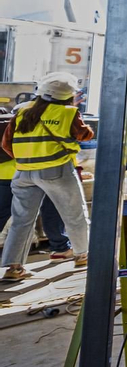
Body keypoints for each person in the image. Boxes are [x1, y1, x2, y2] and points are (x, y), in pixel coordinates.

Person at [0, 74, 93, 280]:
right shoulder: (68, 112)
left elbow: (6, 144)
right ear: (68, 95)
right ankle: (82, 255)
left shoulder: (23, 111)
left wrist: (29, 158)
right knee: (74, 214)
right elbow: (85, 135)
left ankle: (13, 268)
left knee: (21, 220)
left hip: (23, 172)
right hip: (56, 169)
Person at [0, 104, 73, 261]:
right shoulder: (46, 120)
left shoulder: (15, 120)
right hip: (29, 172)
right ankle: (60, 247)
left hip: (4, 174)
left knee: (5, 214)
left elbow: (6, 146)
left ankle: (13, 264)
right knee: (49, 209)